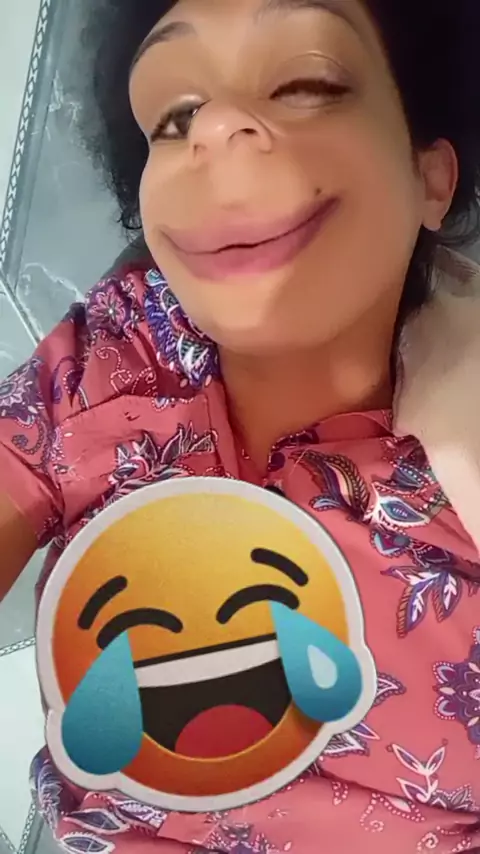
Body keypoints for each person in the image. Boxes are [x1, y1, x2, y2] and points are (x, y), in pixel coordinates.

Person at [1, 0, 480, 850]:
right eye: (175, 115)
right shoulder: (115, 352)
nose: (216, 124)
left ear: (431, 179)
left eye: (306, 82)